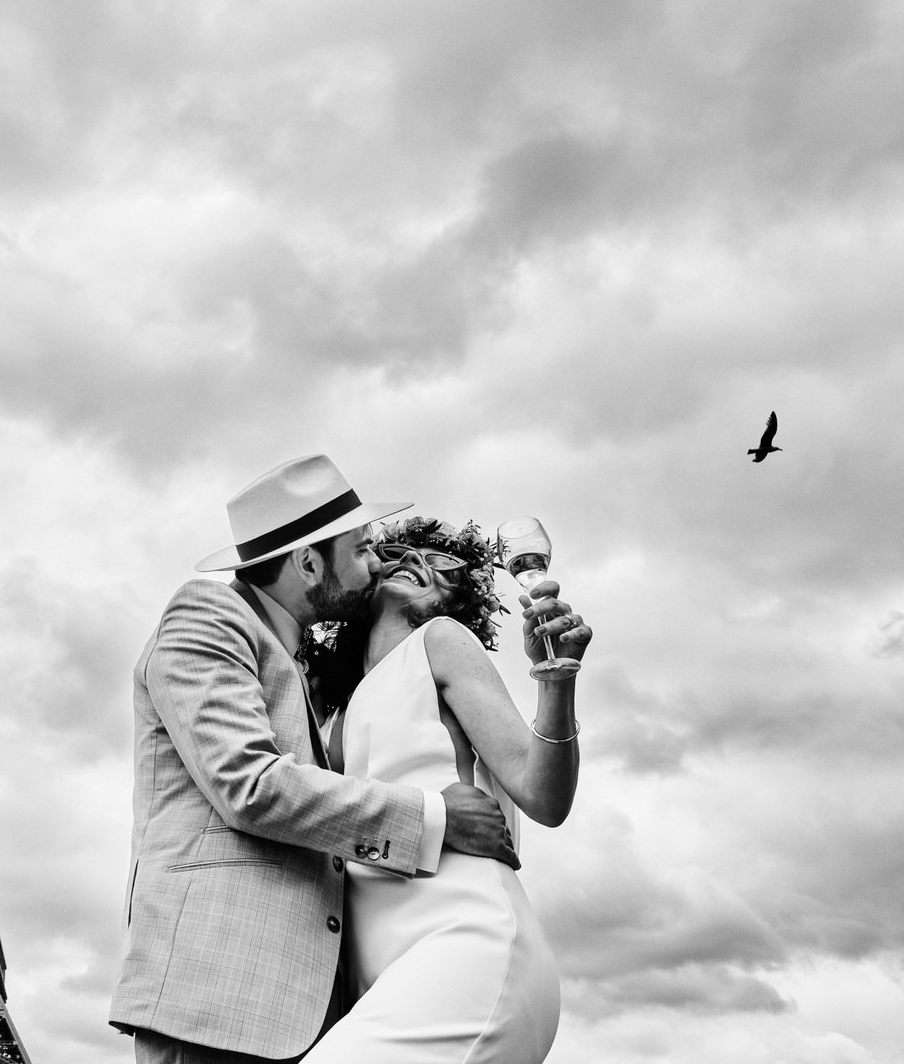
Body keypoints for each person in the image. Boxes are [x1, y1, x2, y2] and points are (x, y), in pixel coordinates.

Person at [110, 455, 539, 1063]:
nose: (376, 564)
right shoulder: (208, 614)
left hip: (307, 1006)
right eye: (361, 550)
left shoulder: (303, 672)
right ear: (309, 562)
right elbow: (249, 785)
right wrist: (437, 818)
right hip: (221, 994)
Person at [301, 516, 591, 1064]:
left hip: (466, 943)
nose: (415, 561)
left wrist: (557, 682)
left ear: (460, 603)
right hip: (379, 978)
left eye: (442, 563)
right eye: (396, 551)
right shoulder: (332, 713)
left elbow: (545, 796)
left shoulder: (438, 641)